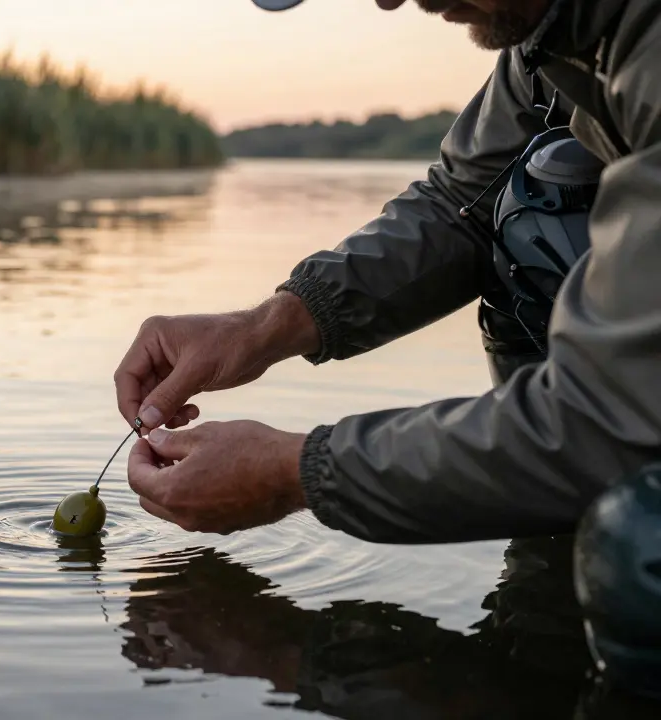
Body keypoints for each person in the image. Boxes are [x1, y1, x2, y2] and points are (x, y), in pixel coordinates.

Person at [113, 0, 661, 696]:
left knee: (642, 549)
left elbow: (601, 420)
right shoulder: (558, 35)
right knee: (530, 195)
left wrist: (296, 473)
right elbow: (462, 201)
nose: (389, 0)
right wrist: (263, 327)